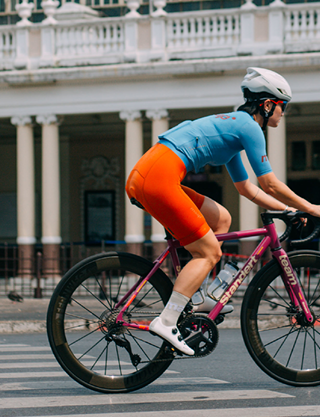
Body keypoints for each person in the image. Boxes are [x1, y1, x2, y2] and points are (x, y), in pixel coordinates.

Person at [126, 67, 320, 356]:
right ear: (267, 105)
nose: (283, 114)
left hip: (151, 172)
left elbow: (248, 189)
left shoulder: (234, 130)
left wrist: (288, 209)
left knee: (222, 218)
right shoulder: (249, 128)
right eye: (283, 107)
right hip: (158, 176)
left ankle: (202, 295)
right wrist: (311, 207)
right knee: (209, 252)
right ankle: (167, 321)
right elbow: (269, 183)